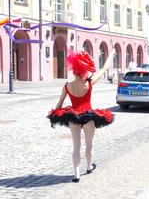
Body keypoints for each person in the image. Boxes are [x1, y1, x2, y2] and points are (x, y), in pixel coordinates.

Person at [47, 48, 115, 182]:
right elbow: (104, 69)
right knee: (89, 144)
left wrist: (53, 117)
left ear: (74, 68)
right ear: (85, 69)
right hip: (89, 117)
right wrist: (111, 53)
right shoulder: (89, 83)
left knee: (76, 146)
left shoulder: (67, 86)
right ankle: (89, 167)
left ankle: (76, 175)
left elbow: (59, 104)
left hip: (73, 117)